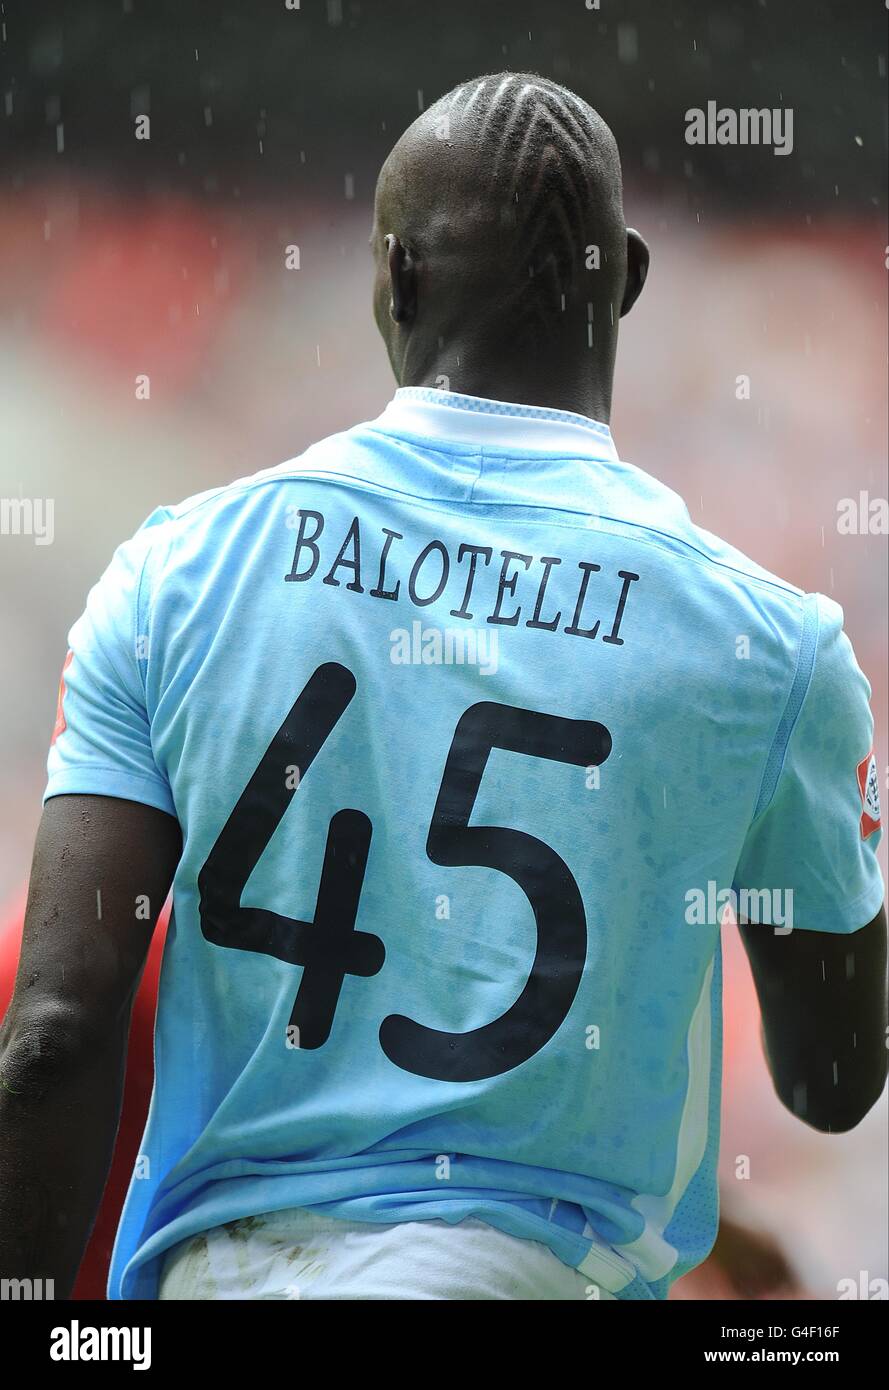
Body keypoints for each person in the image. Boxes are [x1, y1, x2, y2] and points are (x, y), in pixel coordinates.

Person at [0, 71, 885, 1302]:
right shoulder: (770, 643)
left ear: (395, 280)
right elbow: (832, 1081)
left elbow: (51, 1035)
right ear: (623, 283)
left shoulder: (173, 574)